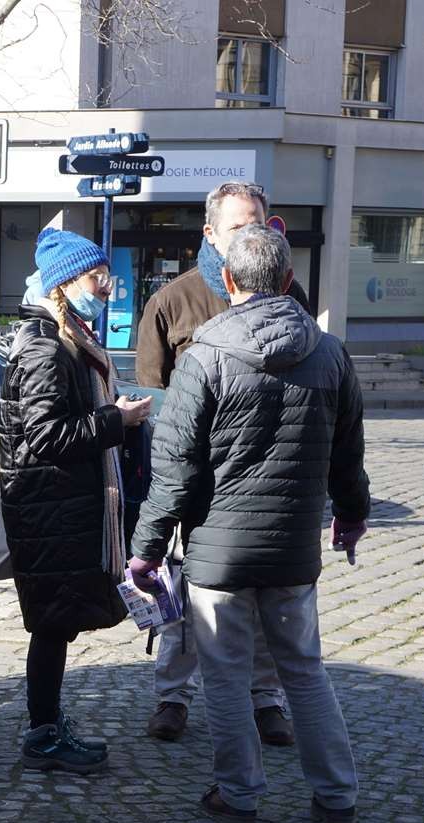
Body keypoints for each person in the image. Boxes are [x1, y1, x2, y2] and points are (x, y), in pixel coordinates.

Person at [130, 224, 370, 823]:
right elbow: (348, 455)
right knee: (305, 671)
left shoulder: (206, 354)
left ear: (228, 280)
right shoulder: (330, 352)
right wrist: (351, 515)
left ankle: (239, 795)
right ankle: (337, 797)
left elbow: (175, 467)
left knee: (226, 675)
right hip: (293, 548)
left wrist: (147, 549)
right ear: (288, 281)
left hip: (218, 553)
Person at [133, 180, 307, 748]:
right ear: (210, 234)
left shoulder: (290, 294)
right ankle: (172, 695)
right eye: (237, 225)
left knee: (266, 604)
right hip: (197, 485)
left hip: (268, 480)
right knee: (180, 596)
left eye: (258, 221)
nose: (250, 232)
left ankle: (266, 699)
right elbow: (153, 400)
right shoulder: (172, 301)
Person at [1, 229, 152, 773]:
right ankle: (43, 734)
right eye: (97, 277)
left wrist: (115, 414)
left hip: (60, 506)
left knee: (56, 621)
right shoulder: (45, 344)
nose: (107, 287)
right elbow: (46, 436)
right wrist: (119, 419)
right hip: (49, 507)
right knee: (52, 623)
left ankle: (46, 726)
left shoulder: (63, 335)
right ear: (66, 282)